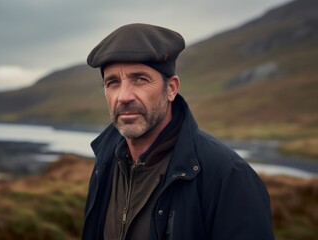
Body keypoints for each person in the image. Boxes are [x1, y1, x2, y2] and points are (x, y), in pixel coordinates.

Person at [82, 23, 274, 240]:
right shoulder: (105, 163)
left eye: (140, 79)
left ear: (171, 88)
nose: (124, 96)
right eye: (113, 82)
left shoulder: (228, 176)